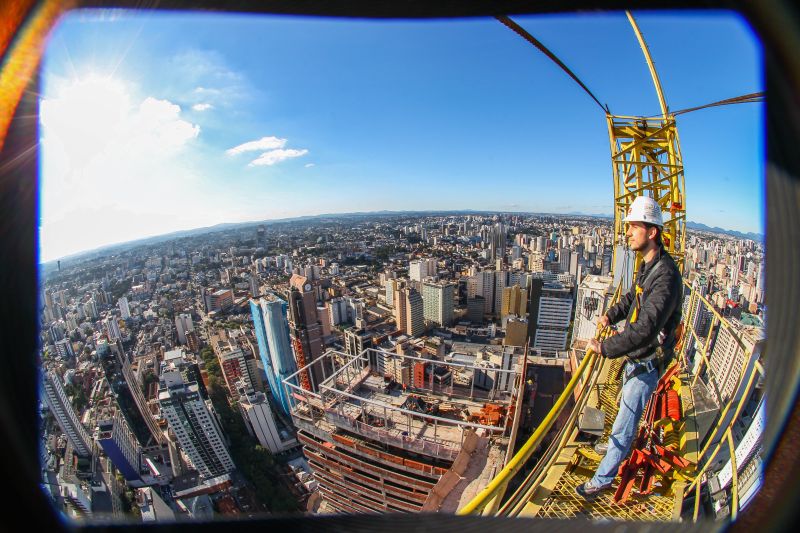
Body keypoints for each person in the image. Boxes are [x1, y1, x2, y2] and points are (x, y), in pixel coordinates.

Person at [576, 196, 683, 499]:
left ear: (652, 232)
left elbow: (646, 328)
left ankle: (602, 480)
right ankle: (611, 452)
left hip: (646, 361)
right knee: (624, 414)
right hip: (637, 358)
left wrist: (604, 347)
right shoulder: (650, 266)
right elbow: (633, 298)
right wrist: (613, 313)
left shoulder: (666, 277)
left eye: (634, 226)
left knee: (624, 425)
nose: (628, 233)